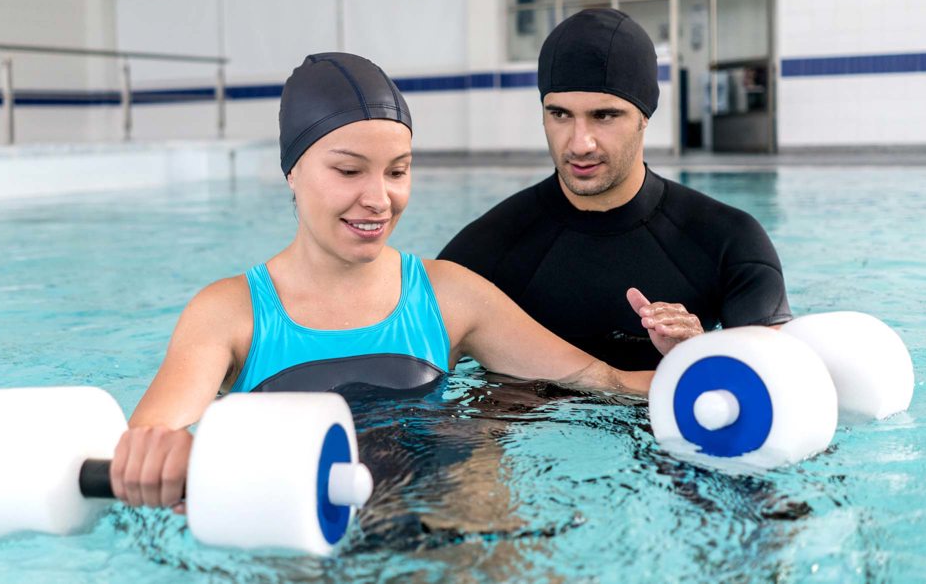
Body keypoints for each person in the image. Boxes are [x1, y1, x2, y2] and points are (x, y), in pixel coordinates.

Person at [109, 52, 653, 511]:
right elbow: (152, 435)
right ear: (292, 170)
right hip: (297, 529)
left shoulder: (450, 296)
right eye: (349, 171)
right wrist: (161, 454)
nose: (379, 199)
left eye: (397, 171)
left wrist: (699, 368)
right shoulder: (230, 312)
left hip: (445, 514)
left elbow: (601, 381)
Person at [439, 8, 791, 372]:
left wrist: (700, 355)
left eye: (604, 115)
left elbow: (777, 388)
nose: (579, 143)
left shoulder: (730, 241)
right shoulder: (486, 249)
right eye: (559, 114)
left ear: (644, 115)